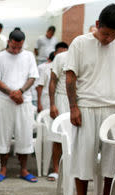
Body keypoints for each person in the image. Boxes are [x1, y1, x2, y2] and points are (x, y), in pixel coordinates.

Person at [64, 4, 115, 195]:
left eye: (114, 35)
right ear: (97, 25)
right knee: (83, 155)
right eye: (105, 34)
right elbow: (70, 77)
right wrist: (73, 107)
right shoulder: (80, 43)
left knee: (113, 160)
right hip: (87, 107)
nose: (109, 39)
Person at [0, 29, 39, 183]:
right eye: (14, 47)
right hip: (5, 101)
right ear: (9, 42)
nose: (17, 50)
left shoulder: (29, 56)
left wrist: (20, 92)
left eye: (20, 47)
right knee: (3, 135)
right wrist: (12, 93)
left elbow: (32, 77)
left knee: (24, 135)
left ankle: (24, 170)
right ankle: (3, 168)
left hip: (24, 101)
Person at [47, 42, 69, 182]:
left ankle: (73, 170)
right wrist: (52, 104)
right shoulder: (61, 58)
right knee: (58, 139)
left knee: (77, 139)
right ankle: (56, 170)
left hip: (81, 101)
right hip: (61, 99)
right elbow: (53, 81)